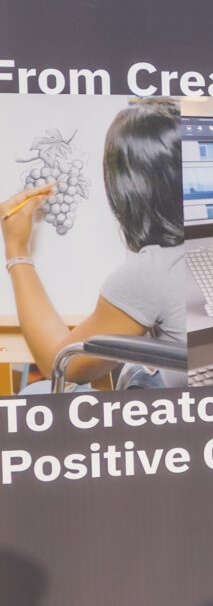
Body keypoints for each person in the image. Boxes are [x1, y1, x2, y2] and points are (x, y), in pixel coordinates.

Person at [1, 97, 186, 389]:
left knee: (36, 391)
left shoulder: (152, 272)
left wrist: (16, 251)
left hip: (182, 421)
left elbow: (58, 362)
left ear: (130, 187)